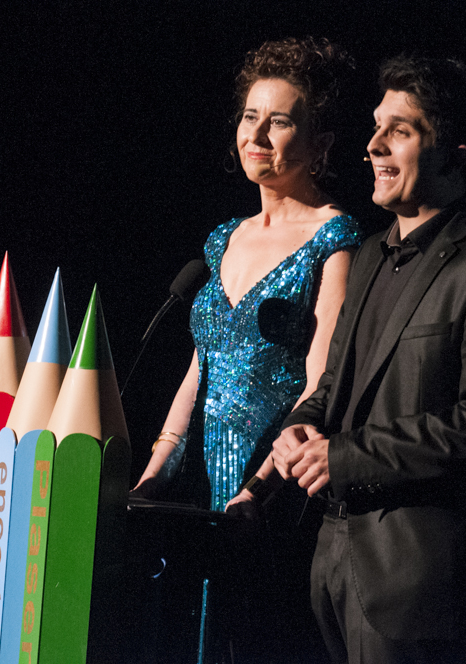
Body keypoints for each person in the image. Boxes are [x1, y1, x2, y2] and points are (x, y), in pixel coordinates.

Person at [272, 56, 466, 663]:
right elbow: (335, 381)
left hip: (411, 580)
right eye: (375, 127)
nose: (373, 146)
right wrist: (298, 426)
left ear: (454, 156)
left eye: (401, 130)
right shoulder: (369, 254)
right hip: (333, 563)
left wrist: (344, 457)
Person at [131, 37, 363, 516]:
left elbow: (322, 385)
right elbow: (199, 373)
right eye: (249, 117)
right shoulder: (224, 238)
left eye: (279, 122)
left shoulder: (333, 239)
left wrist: (257, 490)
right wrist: (152, 478)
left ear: (319, 145)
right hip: (193, 492)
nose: (256, 135)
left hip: (270, 498)